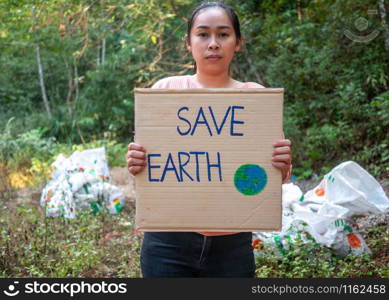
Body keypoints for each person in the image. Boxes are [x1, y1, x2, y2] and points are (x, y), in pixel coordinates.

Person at [126, 1, 292, 277]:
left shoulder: (256, 99)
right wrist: (135, 160)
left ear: (237, 42)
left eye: (223, 34)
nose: (213, 43)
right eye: (203, 34)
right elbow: (145, 162)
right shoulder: (165, 91)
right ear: (188, 43)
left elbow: (276, 175)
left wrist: (282, 163)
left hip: (232, 246)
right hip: (167, 243)